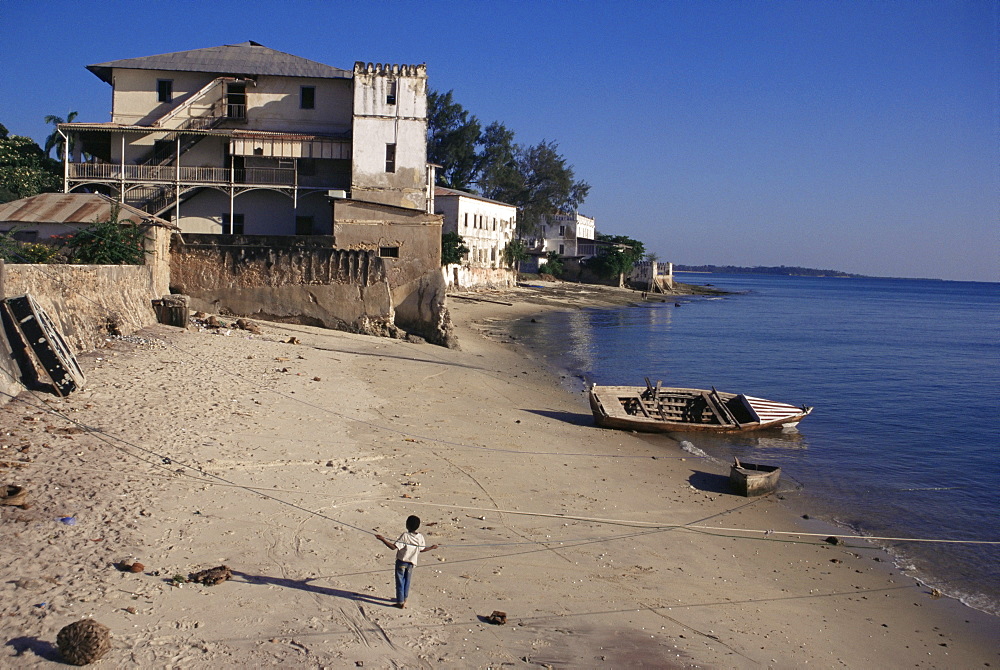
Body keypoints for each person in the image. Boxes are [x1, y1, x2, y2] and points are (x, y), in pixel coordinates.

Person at [376, 515, 438, 608]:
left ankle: (400, 602)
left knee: (400, 581)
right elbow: (422, 549)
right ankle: (404, 598)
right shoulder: (420, 537)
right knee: (407, 581)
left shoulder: (405, 536)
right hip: (411, 563)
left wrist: (382, 539)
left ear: (407, 525)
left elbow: (393, 547)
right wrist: (432, 548)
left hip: (402, 562)